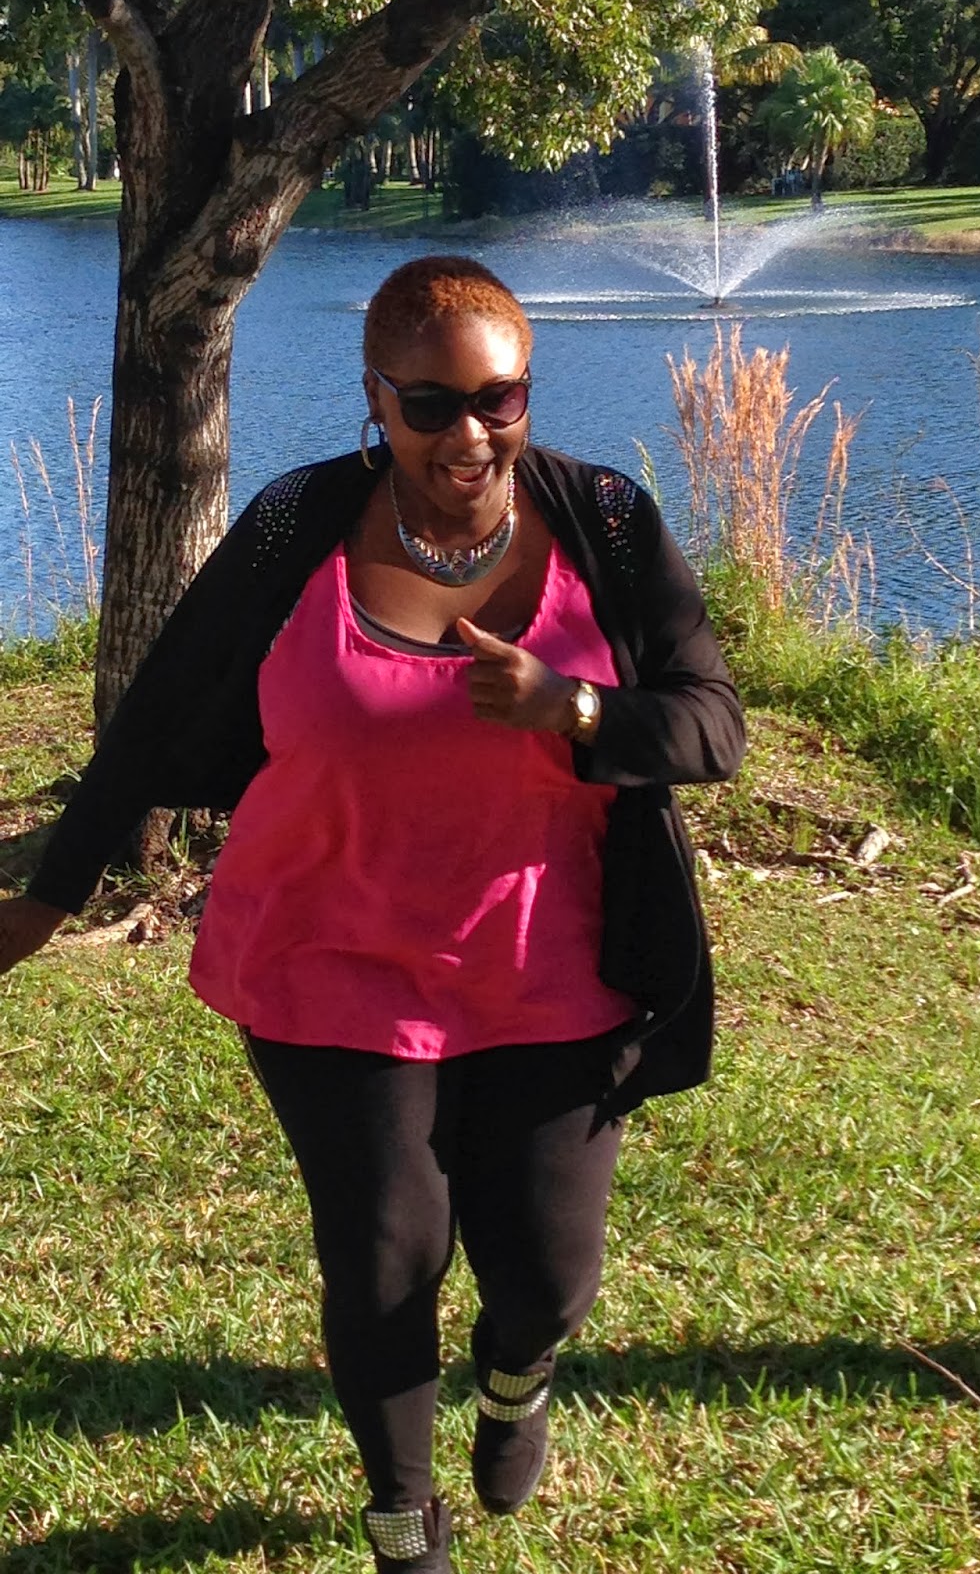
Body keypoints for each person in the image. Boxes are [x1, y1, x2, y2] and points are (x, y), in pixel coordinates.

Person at [0, 255, 745, 1573]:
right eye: (430, 405)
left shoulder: (606, 521)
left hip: (551, 961)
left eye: (498, 399)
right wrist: (47, 900)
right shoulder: (298, 525)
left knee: (548, 1276)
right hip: (327, 953)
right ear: (376, 397)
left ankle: (517, 1377)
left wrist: (575, 708)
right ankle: (404, 1519)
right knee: (389, 1255)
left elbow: (713, 724)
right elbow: (155, 719)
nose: (469, 435)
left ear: (526, 392)